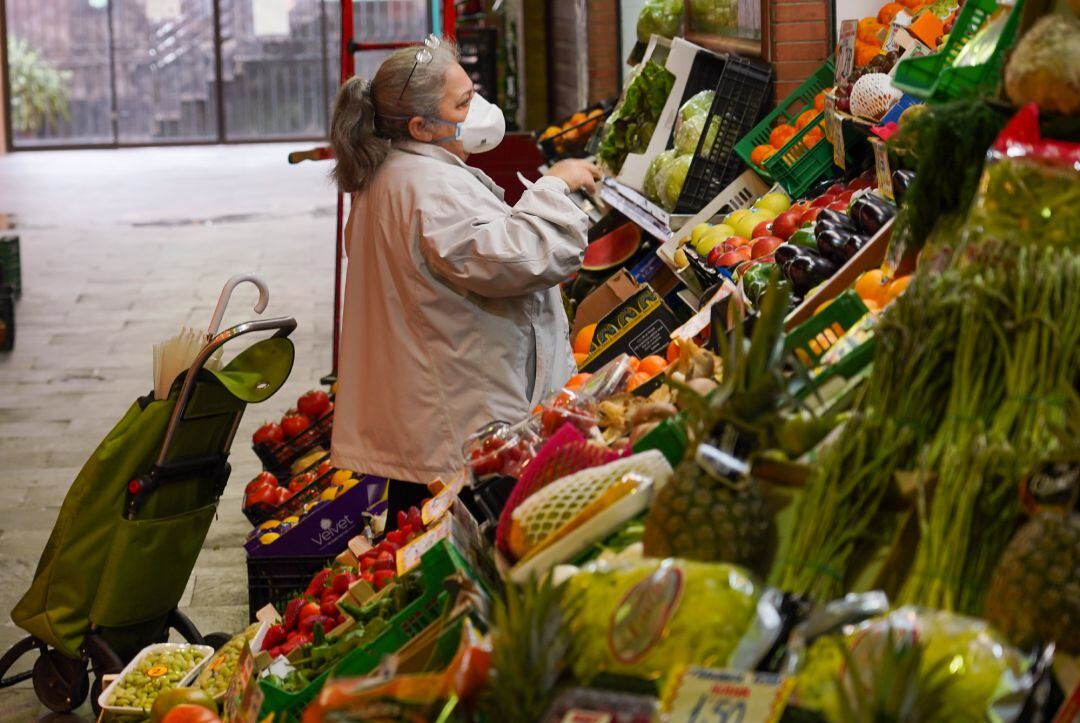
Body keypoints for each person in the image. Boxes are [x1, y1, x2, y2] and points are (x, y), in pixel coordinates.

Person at [327, 36, 600, 526]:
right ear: (421, 126)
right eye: (464, 103)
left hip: (432, 421)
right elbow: (522, 258)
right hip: (455, 431)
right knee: (456, 550)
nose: (480, 112)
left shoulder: (398, 172)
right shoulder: (429, 188)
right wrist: (555, 185)